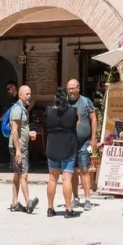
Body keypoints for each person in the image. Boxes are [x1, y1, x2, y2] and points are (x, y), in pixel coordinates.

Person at [43, 87, 81, 217]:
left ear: (55, 98)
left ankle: (50, 208)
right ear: (66, 98)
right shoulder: (72, 111)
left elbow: (46, 125)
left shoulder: (48, 111)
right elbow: (77, 126)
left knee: (52, 178)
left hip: (52, 146)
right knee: (66, 179)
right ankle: (68, 209)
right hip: (68, 146)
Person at [67, 78, 98, 210]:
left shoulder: (86, 102)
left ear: (78, 88)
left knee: (84, 170)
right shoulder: (65, 103)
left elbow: (93, 118)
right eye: (69, 89)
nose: (71, 91)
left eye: (73, 88)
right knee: (73, 171)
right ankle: (75, 198)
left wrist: (93, 138)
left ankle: (87, 199)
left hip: (84, 142)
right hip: (69, 143)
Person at [8, 84, 33, 214]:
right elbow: (14, 130)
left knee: (17, 175)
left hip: (22, 146)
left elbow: (20, 129)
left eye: (30, 93)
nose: (29, 96)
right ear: (20, 95)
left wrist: (28, 134)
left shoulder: (22, 109)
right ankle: (29, 202)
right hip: (19, 148)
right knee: (23, 175)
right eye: (27, 94)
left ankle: (14, 203)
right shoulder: (17, 109)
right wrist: (18, 150)